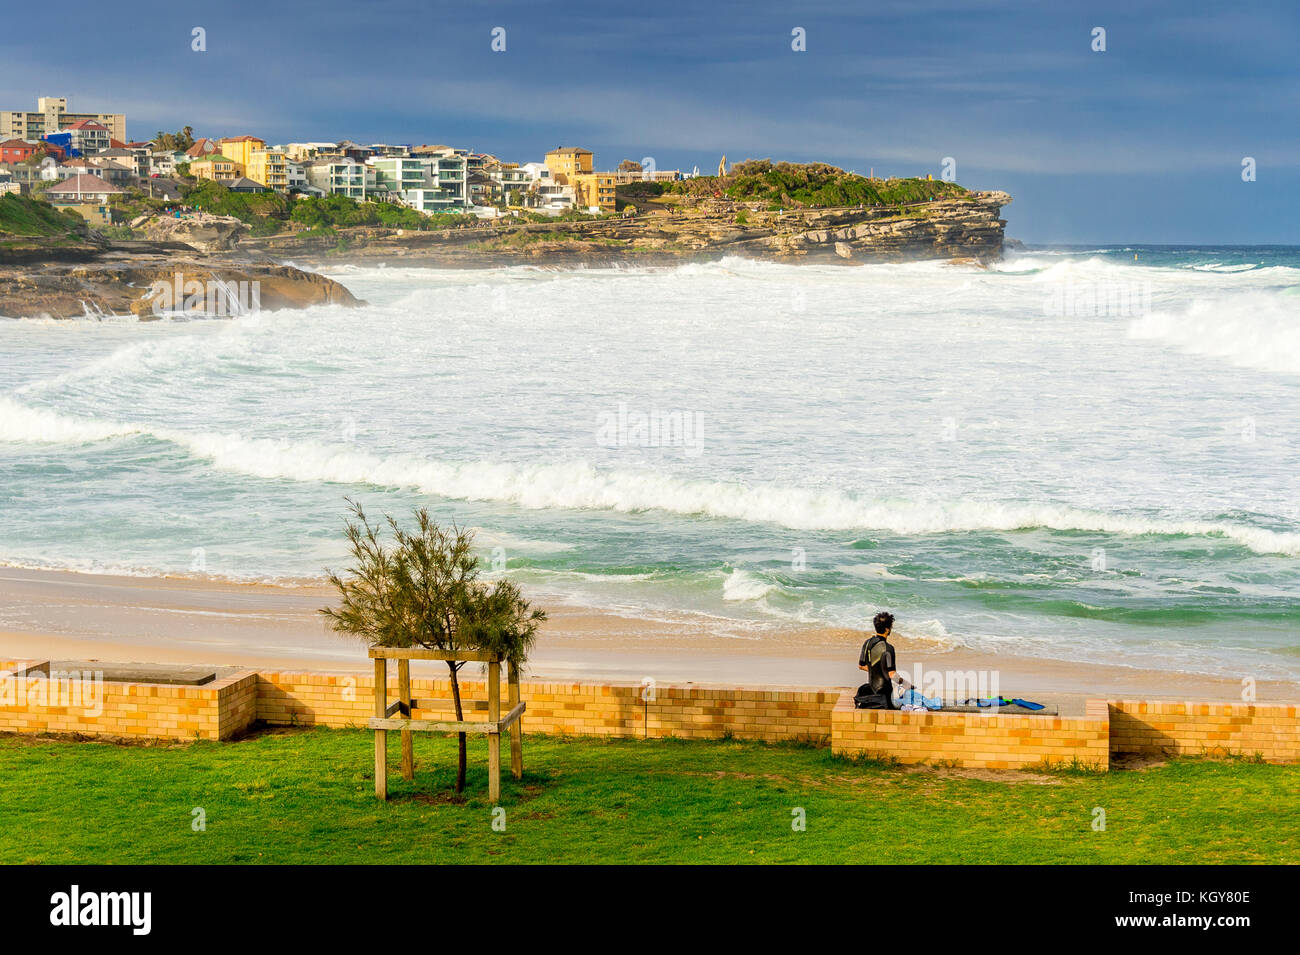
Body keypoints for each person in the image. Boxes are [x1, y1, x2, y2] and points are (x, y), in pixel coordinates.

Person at [857, 611, 912, 709]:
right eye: (891, 626)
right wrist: (907, 685)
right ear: (887, 629)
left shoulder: (867, 643)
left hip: (871, 691)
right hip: (884, 695)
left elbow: (861, 666)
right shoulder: (888, 648)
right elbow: (892, 675)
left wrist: (877, 671)